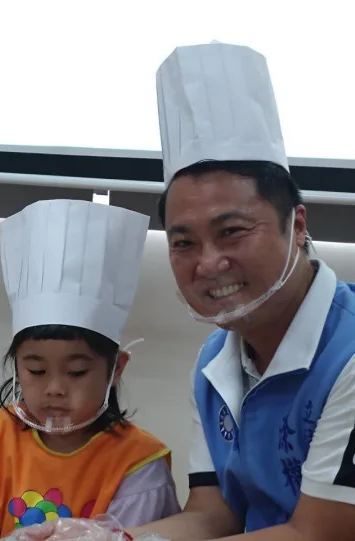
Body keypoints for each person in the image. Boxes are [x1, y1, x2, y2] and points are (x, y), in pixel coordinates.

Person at [19, 42, 355, 541]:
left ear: (297, 225)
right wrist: (118, 538)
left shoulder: (347, 353)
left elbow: (318, 534)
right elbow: (212, 512)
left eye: (233, 231)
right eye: (183, 242)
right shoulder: (215, 361)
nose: (209, 263)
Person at [0, 200, 180, 541]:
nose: (55, 388)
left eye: (77, 372)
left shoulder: (138, 464)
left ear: (116, 370)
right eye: (37, 371)